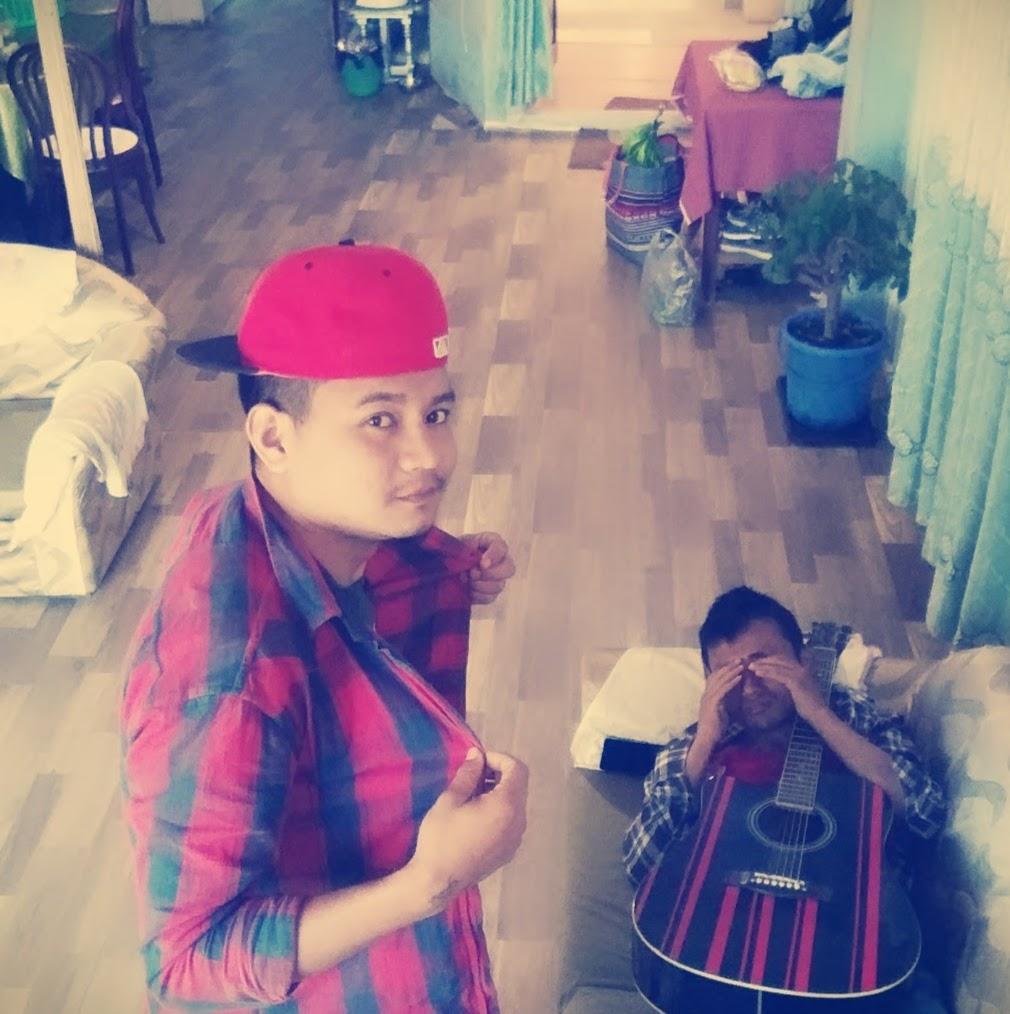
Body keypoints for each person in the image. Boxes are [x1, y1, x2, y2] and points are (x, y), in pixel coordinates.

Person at [121, 244, 527, 1013]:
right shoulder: (226, 679)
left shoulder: (294, 515)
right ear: (273, 438)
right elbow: (186, 960)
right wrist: (426, 884)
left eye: (437, 413)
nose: (430, 455)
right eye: (380, 420)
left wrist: (451, 566)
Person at [623, 585, 946, 887]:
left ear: (803, 660)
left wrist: (820, 715)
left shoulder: (854, 715)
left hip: (845, 909)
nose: (750, 689)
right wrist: (704, 742)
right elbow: (640, 865)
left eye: (764, 665)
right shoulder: (692, 747)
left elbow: (926, 813)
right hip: (729, 914)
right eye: (730, 675)